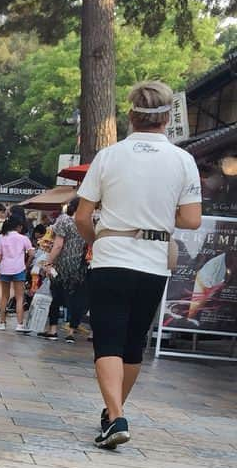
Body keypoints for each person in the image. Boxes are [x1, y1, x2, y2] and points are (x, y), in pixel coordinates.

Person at [74, 79, 202, 449]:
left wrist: (98, 241)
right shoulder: (183, 160)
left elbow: (83, 216)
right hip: (154, 259)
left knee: (108, 339)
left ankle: (115, 416)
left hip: (112, 254)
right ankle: (114, 413)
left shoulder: (109, 156)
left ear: (130, 115)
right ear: (167, 118)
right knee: (133, 343)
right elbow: (192, 219)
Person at [40, 198, 90, 342]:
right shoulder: (87, 223)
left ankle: (53, 330)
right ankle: (71, 332)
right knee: (76, 299)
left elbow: (58, 245)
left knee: (56, 298)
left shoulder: (64, 220)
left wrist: (47, 262)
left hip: (62, 265)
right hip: (80, 267)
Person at [0, 216, 34, 330]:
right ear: (18, 227)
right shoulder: (23, 238)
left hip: (5, 269)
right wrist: (26, 264)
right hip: (19, 269)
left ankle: (2, 323)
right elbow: (31, 253)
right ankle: (20, 324)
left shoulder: (2, 238)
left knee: (4, 297)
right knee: (20, 297)